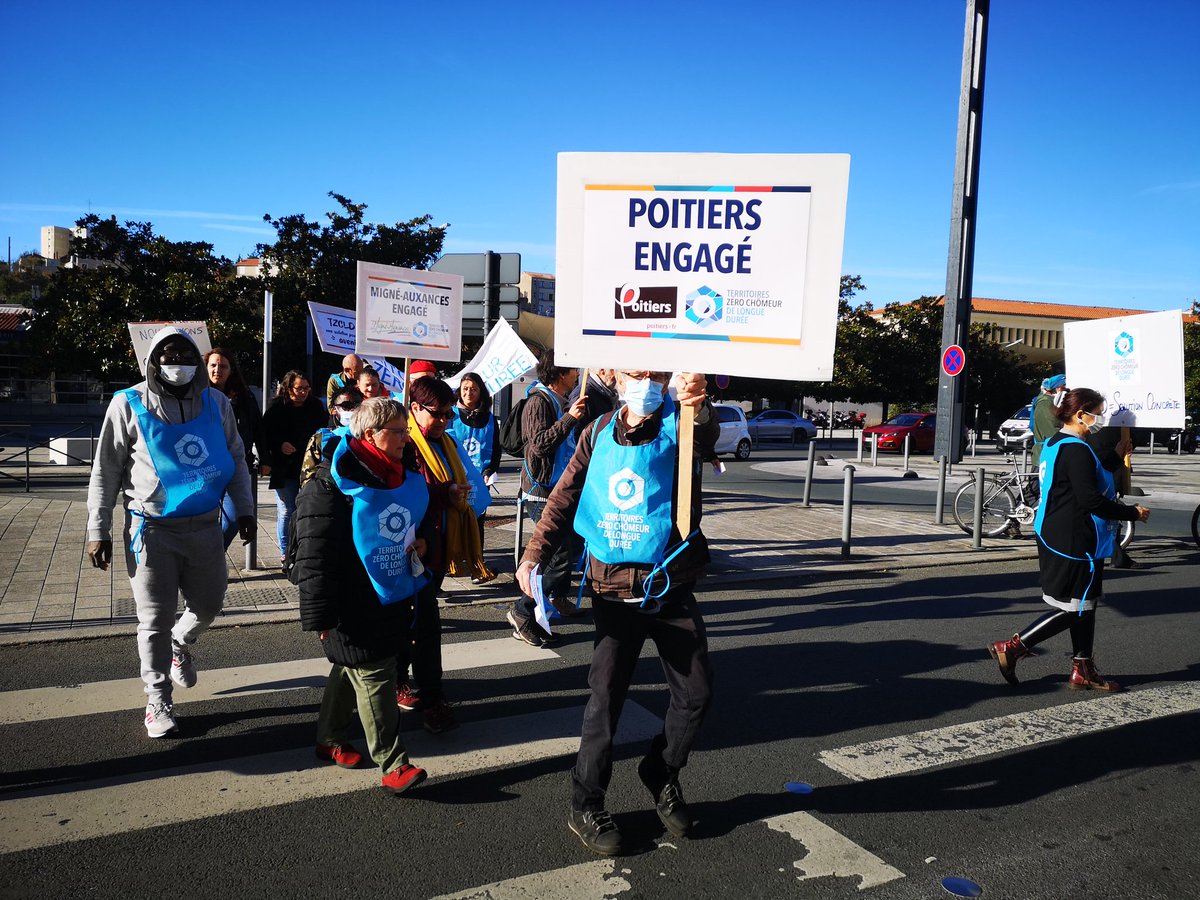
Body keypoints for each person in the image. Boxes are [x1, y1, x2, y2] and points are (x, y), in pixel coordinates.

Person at [516, 370, 717, 856]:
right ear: (614, 375)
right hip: (612, 590)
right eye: (634, 371)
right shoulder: (598, 429)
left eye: (654, 373)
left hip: (669, 586)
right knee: (605, 702)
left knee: (697, 694)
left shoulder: (683, 422)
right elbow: (564, 494)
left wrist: (701, 405)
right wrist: (533, 554)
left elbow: (707, 437)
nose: (645, 380)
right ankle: (586, 803)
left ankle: (661, 770)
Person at [86, 328, 256, 738]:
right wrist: (98, 528)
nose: (177, 361)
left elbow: (235, 458)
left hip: (204, 527)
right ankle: (157, 698)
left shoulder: (217, 403)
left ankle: (181, 643)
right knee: (154, 620)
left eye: (185, 353)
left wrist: (247, 510)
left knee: (210, 603)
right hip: (151, 529)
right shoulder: (127, 403)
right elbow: (106, 469)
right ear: (152, 359)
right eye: (167, 353)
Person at [293, 397, 431, 794]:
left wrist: (421, 544)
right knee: (374, 672)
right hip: (349, 599)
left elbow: (411, 525)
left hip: (388, 592)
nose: (407, 438)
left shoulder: (401, 473)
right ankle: (393, 763)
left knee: (349, 667)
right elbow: (314, 556)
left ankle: (329, 739)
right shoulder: (329, 483)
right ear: (370, 434)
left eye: (408, 430)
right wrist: (320, 615)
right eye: (399, 432)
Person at [988, 387, 1150, 693]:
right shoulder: (1076, 449)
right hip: (1074, 538)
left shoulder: (1056, 442)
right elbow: (1090, 498)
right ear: (1080, 415)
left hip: (1056, 531)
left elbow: (1090, 475)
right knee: (1076, 608)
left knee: (1084, 604)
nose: (1100, 419)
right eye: (1098, 413)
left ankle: (1082, 669)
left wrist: (1117, 457)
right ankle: (1012, 647)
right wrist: (1132, 512)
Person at [398, 377, 494, 733]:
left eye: (447, 413)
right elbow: (402, 491)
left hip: (437, 547)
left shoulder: (448, 441)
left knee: (423, 624)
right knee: (414, 625)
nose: (442, 420)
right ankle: (414, 689)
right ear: (415, 408)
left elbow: (465, 479)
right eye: (435, 414)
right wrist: (444, 492)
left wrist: (463, 495)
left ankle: (427, 693)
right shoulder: (402, 442)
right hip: (405, 546)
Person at [509, 350, 587, 640]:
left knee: (567, 551)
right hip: (542, 492)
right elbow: (539, 445)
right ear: (560, 373)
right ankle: (523, 608)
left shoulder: (558, 400)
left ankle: (546, 602)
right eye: (573, 369)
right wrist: (569, 418)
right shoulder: (539, 402)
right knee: (557, 555)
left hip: (558, 489)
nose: (577, 374)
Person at [205, 347, 268, 548]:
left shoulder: (245, 397)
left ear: (231, 370)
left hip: (236, 466)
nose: (217, 370)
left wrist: (266, 458)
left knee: (233, 519)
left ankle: (211, 557)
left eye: (223, 366)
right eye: (213, 365)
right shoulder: (196, 397)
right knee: (203, 522)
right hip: (205, 468)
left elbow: (258, 428)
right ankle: (205, 566)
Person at [262, 371, 328, 560]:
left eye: (307, 388)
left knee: (307, 508)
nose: (304, 392)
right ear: (289, 388)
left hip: (309, 466)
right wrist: (279, 445)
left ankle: (302, 547)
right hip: (284, 466)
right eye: (299, 388)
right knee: (286, 509)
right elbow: (265, 434)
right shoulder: (277, 407)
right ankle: (285, 552)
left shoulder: (315, 406)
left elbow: (323, 430)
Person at [447, 372, 501, 547]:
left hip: (479, 479)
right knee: (453, 519)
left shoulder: (491, 419)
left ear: (480, 392)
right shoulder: (450, 415)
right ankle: (453, 559)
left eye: (473, 389)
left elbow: (496, 449)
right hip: (454, 477)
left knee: (477, 520)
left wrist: (489, 470)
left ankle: (476, 561)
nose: (468, 392)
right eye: (465, 389)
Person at [300, 385, 363, 489]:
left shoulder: (370, 436)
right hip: (329, 496)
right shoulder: (321, 438)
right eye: (346, 406)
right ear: (334, 409)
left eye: (357, 405)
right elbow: (307, 478)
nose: (352, 410)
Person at [568, 368, 620, 441]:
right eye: (615, 370)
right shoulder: (583, 395)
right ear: (602, 370)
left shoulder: (608, 393)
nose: (618, 375)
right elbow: (576, 435)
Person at [1030, 373, 1066, 470]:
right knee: (1039, 483)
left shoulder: (1051, 403)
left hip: (1048, 452)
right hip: (1045, 454)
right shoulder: (1045, 403)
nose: (1066, 392)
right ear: (1057, 388)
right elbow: (1050, 430)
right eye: (1064, 388)